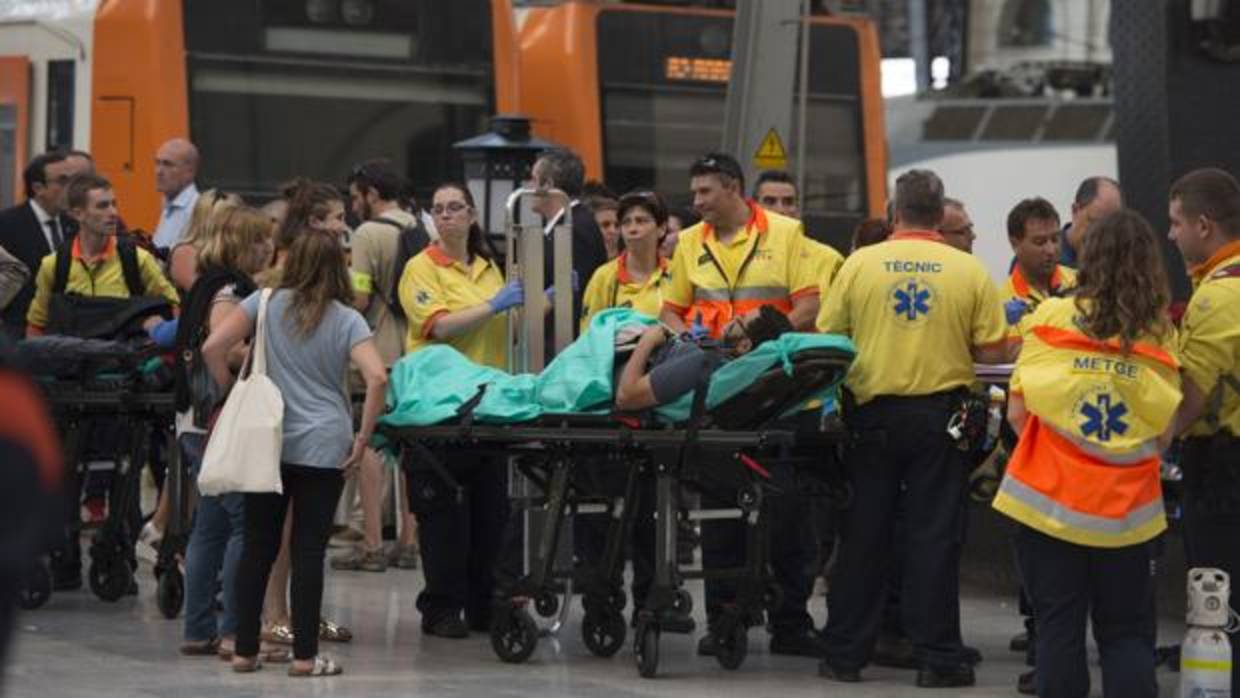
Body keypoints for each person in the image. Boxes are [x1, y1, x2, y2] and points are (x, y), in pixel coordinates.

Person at [817, 169, 1007, 688]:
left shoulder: (859, 265)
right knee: (934, 539)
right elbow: (993, 352)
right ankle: (938, 658)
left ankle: (844, 655)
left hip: (869, 419)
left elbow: (829, 339)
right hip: (940, 421)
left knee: (862, 538)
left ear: (893, 212)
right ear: (941, 213)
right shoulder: (967, 270)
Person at [992, 209, 1179, 698]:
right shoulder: (1158, 333)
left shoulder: (1052, 316)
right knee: (1127, 635)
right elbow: (1163, 431)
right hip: (1127, 513)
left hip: (1047, 504)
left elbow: (1017, 411)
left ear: (1088, 258)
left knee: (1058, 629)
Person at [203, 229, 387, 678]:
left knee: (259, 547)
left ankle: (245, 651)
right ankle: (305, 657)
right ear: (338, 267)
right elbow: (378, 377)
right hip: (325, 444)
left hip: (268, 440)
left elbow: (212, 347)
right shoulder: (347, 319)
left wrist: (228, 393)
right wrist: (362, 439)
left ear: (291, 261)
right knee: (308, 549)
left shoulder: (263, 303)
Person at [659, 152, 822, 658]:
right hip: (718, 392)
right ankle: (723, 618)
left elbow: (809, 306)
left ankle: (790, 623)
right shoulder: (689, 243)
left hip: (779, 389)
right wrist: (689, 338)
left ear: (732, 188)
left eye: (705, 192)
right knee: (719, 509)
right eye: (695, 193)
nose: (697, 202)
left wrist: (763, 337)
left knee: (790, 509)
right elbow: (670, 310)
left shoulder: (785, 235)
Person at [25, 174, 179, 590]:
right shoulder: (54, 266)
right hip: (70, 387)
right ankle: (64, 558)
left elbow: (173, 312)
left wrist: (155, 331)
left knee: (121, 470)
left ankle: (119, 555)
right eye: (101, 206)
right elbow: (36, 328)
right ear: (77, 214)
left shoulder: (136, 261)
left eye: (113, 204)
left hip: (122, 388)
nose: (112, 212)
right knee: (66, 471)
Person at [175, 206, 273, 660]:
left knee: (209, 527)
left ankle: (198, 630)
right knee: (240, 525)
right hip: (217, 421)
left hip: (190, 420)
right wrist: (232, 389)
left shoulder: (204, 283)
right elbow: (225, 348)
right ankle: (234, 630)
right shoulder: (233, 290)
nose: (268, 247)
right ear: (241, 244)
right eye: (259, 240)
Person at [1167, 167, 1240, 691]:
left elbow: (1189, 399)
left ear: (1204, 225)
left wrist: (1150, 446)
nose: (1170, 234)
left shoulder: (1217, 298)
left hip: (1221, 469)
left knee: (1219, 601)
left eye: (1176, 222)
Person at [330, 160, 421, 573]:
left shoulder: (369, 233)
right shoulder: (423, 227)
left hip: (380, 346)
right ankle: (409, 540)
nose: (353, 206)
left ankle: (371, 545)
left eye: (355, 197)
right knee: (411, 450)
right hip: (417, 349)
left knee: (371, 446)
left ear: (371, 193)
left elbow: (361, 298)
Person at [615, 305, 794, 411]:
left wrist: (647, 341)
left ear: (744, 346)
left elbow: (626, 397)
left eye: (742, 318)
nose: (735, 316)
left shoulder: (706, 362)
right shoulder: (721, 363)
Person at [529, 148, 610, 349]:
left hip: (563, 350)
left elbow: (572, 301)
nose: (529, 188)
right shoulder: (564, 225)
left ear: (547, 184)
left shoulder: (575, 228)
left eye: (533, 180)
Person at [0, 152, 78, 338]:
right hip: (18, 332)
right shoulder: (6, 224)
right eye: (62, 181)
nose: (71, 188)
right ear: (38, 188)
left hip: (69, 332)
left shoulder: (75, 223)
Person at [579, 190, 672, 331]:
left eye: (641, 221)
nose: (632, 229)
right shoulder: (603, 277)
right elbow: (589, 336)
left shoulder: (676, 273)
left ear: (662, 228)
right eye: (626, 222)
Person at [167, 190, 243, 293]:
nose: (238, 225)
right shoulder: (185, 252)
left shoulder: (238, 253)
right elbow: (200, 296)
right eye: (230, 219)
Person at [1060, 176, 1121, 268]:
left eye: (1111, 227)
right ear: (1075, 210)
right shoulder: (1047, 258)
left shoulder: (1121, 263)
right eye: (1094, 223)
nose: (1102, 235)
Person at [152, 138, 201, 250]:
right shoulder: (168, 204)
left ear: (190, 171)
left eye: (168, 164)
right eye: (157, 163)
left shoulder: (196, 211)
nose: (158, 171)